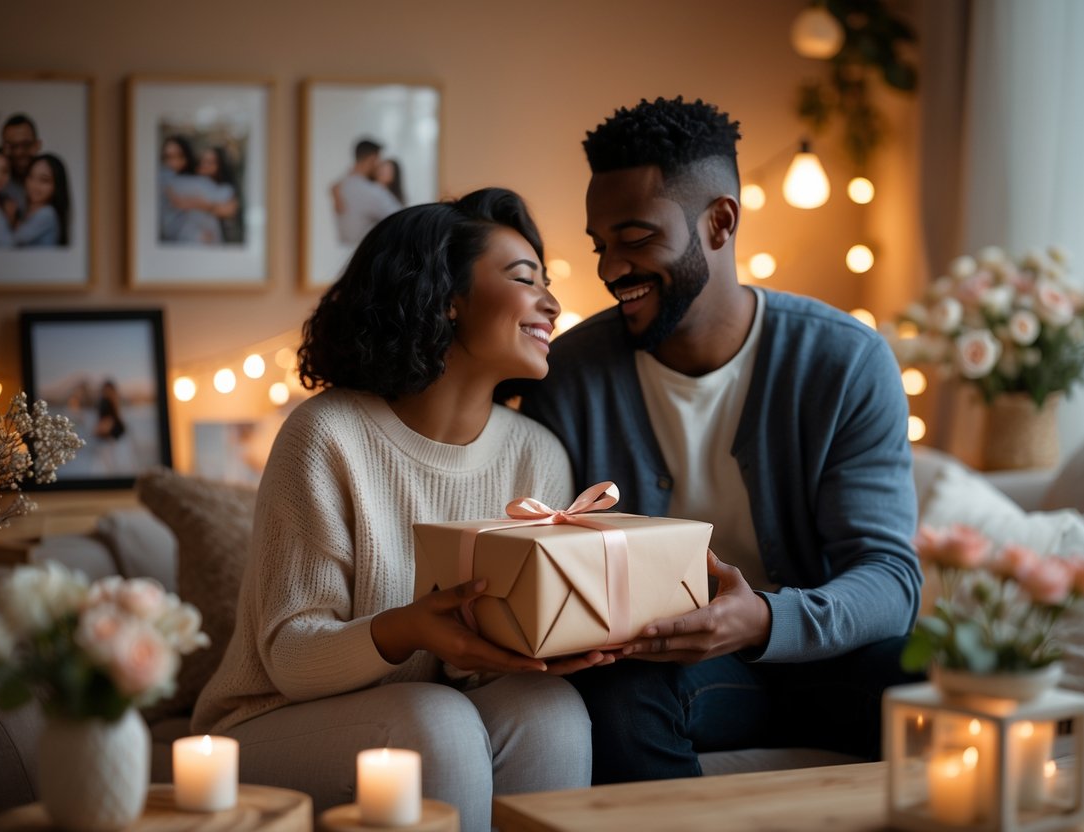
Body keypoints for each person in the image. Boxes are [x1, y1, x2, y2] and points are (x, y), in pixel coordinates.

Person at [518, 97, 924, 784]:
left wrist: (763, 619)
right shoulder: (571, 375)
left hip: (828, 655)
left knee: (938, 680)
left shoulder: (845, 360)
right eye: (599, 244)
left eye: (636, 237)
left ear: (720, 221)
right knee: (616, 701)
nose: (610, 267)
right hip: (677, 674)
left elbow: (890, 579)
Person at [191, 188, 602, 831]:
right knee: (433, 723)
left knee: (549, 710)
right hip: (269, 724)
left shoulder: (536, 454)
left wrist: (537, 646)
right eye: (525, 279)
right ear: (448, 298)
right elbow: (291, 658)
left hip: (436, 712)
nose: (551, 301)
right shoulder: (326, 435)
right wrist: (409, 628)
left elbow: (473, 666)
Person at [330, 137, 402, 245]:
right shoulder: (372, 191)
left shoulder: (341, 185)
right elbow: (401, 220)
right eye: (379, 160)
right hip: (365, 252)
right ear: (372, 159)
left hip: (343, 249)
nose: (379, 166)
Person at [13, 153, 71, 247]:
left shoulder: (47, 213)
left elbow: (10, 243)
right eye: (31, 177)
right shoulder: (27, 210)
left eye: (44, 180)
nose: (34, 185)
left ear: (57, 186)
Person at [0, 112, 42, 212]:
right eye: (12, 146)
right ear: (4, 148)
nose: (19, 152)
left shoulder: (51, 180)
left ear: (37, 145)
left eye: (26, 144)